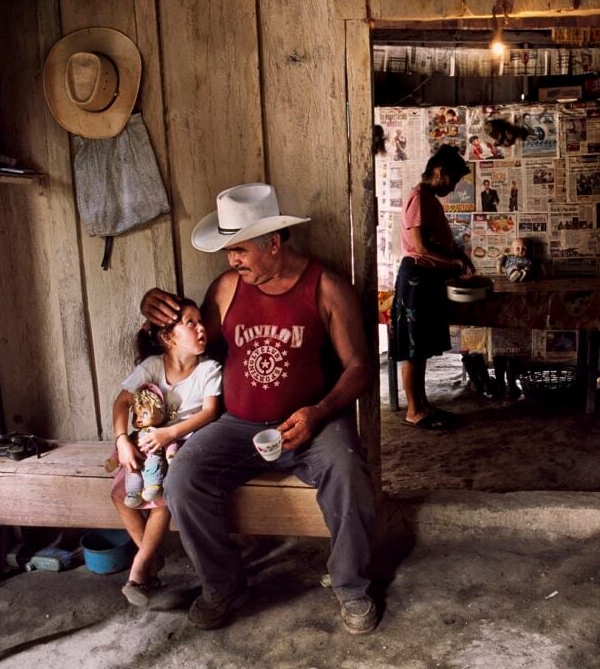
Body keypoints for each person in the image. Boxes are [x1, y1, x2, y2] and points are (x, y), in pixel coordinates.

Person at [140, 182, 377, 633]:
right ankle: (224, 586)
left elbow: (360, 368)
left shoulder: (325, 287)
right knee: (185, 477)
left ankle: (351, 587)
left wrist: (318, 412)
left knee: (348, 473)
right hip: (238, 426)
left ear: (273, 243)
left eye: (240, 250)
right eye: (228, 251)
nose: (232, 260)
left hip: (313, 424)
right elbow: (190, 345)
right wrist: (155, 311)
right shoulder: (227, 288)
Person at [110, 298, 222, 606]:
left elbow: (210, 412)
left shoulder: (209, 369)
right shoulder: (152, 367)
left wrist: (170, 433)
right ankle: (153, 559)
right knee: (120, 494)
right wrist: (122, 441)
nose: (201, 328)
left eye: (202, 322)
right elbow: (121, 403)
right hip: (147, 444)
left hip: (182, 445)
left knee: (159, 498)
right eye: (191, 323)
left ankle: (138, 569)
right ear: (168, 337)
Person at [393, 145, 474, 430]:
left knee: (422, 347)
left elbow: (437, 243)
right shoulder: (418, 198)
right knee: (413, 348)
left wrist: (459, 256)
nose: (452, 187)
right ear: (439, 173)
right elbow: (422, 247)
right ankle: (414, 411)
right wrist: (455, 262)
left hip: (427, 280)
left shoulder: (428, 198)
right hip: (416, 279)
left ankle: (423, 405)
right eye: (451, 181)